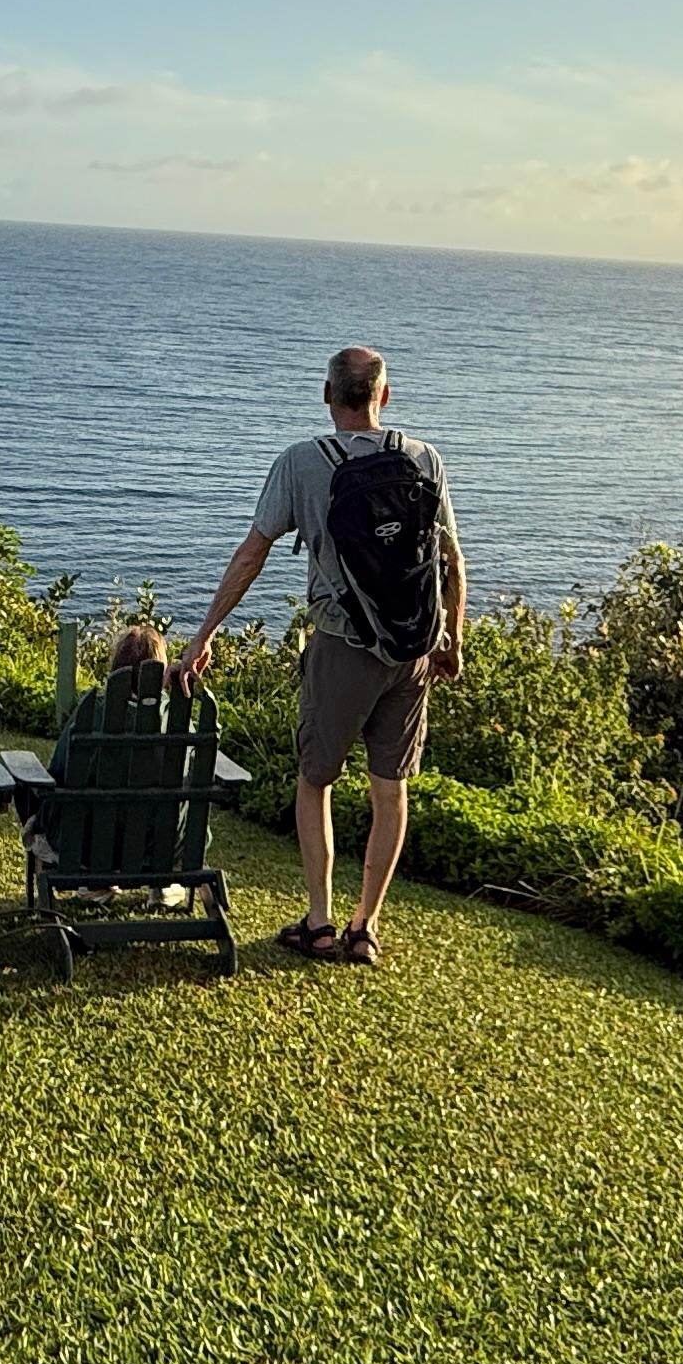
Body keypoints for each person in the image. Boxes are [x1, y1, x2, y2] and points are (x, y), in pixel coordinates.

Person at [181, 345, 466, 966]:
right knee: (390, 789)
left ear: (328, 395)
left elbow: (252, 554)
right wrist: (452, 638)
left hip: (342, 645)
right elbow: (451, 558)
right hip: (413, 648)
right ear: (384, 395)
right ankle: (366, 928)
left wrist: (204, 635)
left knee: (315, 781)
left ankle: (319, 923)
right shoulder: (424, 458)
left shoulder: (303, 462)